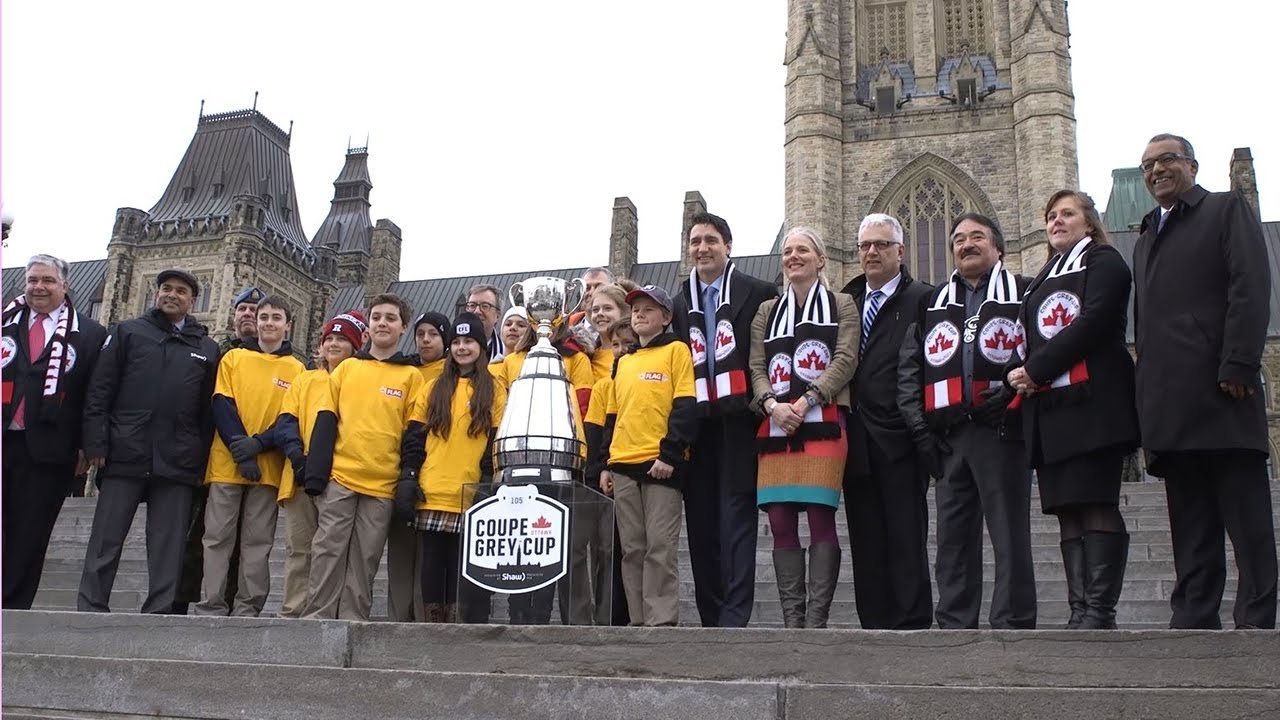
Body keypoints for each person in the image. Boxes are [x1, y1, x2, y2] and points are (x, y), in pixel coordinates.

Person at [1132, 133, 1277, 629]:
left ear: (1191, 165)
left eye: (1167, 159)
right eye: (1148, 164)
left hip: (1222, 392)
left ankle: (1256, 619)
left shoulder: (1224, 209)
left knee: (1247, 521)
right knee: (1190, 524)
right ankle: (1193, 617)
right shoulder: (1148, 232)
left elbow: (1250, 285)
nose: (1156, 170)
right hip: (1172, 405)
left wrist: (1239, 363)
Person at [1004, 191, 1139, 629]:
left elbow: (1094, 321)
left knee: (1096, 502)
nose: (1056, 222)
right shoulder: (1044, 277)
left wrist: (1036, 369)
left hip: (1094, 403)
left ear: (1089, 222)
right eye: (1051, 216)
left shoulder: (1104, 262)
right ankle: (1080, 608)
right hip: (1052, 410)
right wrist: (1018, 372)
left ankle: (1100, 610)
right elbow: (1026, 333)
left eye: (1067, 214)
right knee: (1067, 510)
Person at [898, 213, 1037, 630]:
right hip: (950, 437)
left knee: (1009, 535)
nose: (967, 244)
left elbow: (1041, 352)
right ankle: (955, 623)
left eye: (978, 237)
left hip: (1002, 432)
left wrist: (1012, 393)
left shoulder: (1026, 292)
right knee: (953, 543)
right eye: (958, 239)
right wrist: (922, 433)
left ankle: (1012, 623)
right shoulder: (930, 303)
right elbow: (910, 371)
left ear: (998, 248)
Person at [78, 269, 220, 613]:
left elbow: (207, 412)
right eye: (166, 288)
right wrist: (96, 442)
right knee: (106, 539)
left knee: (167, 543)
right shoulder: (128, 332)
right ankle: (92, 605)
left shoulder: (207, 347)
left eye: (181, 291)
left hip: (177, 458)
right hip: (126, 450)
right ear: (156, 294)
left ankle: (159, 609)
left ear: (193, 300)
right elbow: (100, 390)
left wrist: (199, 458)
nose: (172, 295)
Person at [748, 228, 858, 628]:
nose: (793, 256)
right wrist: (773, 405)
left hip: (824, 421)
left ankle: (817, 619)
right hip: (776, 426)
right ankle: (793, 619)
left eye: (803, 250)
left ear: (821, 259)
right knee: (779, 520)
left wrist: (807, 399)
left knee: (819, 516)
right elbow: (757, 367)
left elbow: (845, 358)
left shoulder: (842, 304)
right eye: (788, 251)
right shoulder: (766, 311)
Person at [672, 211, 778, 627]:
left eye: (710, 240)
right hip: (698, 425)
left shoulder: (758, 292)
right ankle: (710, 613)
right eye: (695, 242)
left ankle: (735, 615)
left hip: (741, 420)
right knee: (700, 524)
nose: (702, 248)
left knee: (737, 520)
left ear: (728, 246)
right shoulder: (679, 303)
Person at [301, 293, 427, 620]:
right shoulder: (346, 370)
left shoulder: (411, 377)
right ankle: (316, 621)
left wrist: (406, 479)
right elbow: (325, 422)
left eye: (390, 318)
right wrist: (316, 475)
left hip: (382, 487)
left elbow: (413, 436)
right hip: (340, 479)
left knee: (365, 559)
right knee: (327, 552)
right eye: (376, 317)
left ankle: (354, 623)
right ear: (368, 327)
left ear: (403, 327)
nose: (382, 322)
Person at [839, 214, 935, 630]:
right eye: (864, 246)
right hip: (854, 441)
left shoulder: (924, 299)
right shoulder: (847, 301)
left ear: (900, 251)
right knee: (865, 540)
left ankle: (912, 624)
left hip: (900, 439)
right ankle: (873, 626)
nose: (871, 252)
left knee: (906, 535)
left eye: (880, 245)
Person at [2, 254, 107, 609]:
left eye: (47, 281)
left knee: (29, 534)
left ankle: (12, 606)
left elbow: (94, 394)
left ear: (65, 285)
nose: (38, 287)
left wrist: (86, 446)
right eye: (32, 280)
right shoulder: (4, 321)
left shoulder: (90, 334)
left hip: (48, 450)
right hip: (4, 437)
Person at [194, 296, 305, 617]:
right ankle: (211, 604)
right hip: (227, 463)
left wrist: (258, 446)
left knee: (258, 541)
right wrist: (240, 450)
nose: (269, 323)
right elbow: (221, 403)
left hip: (268, 466)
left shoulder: (297, 369)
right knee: (216, 537)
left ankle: (248, 606)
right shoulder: (234, 358)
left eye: (276, 318)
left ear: (288, 325)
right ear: (255, 323)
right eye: (264, 317)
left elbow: (290, 416)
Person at [599, 285, 698, 626]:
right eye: (636, 309)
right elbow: (613, 415)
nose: (639, 314)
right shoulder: (622, 362)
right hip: (623, 463)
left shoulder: (677, 351)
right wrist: (605, 464)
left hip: (660, 464)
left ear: (666, 317)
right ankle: (639, 620)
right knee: (633, 548)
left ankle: (662, 621)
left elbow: (684, 406)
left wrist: (670, 455)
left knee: (660, 545)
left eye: (649, 309)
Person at [489, 309, 594, 624]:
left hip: (559, 465)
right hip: (516, 465)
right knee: (519, 543)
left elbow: (583, 409)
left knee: (551, 543)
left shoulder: (576, 361)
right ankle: (518, 612)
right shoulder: (509, 362)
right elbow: (497, 409)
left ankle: (545, 613)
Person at [398, 313, 504, 623]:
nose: (461, 347)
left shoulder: (495, 390)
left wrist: (487, 480)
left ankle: (459, 618)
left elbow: (494, 441)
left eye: (468, 341)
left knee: (461, 561)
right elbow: (415, 438)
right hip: (433, 488)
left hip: (469, 489)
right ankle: (434, 619)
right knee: (432, 561)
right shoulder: (432, 388)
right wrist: (409, 476)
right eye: (456, 342)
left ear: (480, 347)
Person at [272, 310, 366, 618]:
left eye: (342, 339)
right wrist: (298, 458)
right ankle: (293, 610)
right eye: (330, 339)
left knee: (331, 551)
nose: (334, 344)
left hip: (340, 475)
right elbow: (287, 421)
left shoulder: (358, 378)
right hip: (301, 474)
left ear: (354, 346)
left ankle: (325, 610)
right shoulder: (305, 380)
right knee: (299, 548)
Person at [384, 310, 450, 623]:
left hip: (434, 473)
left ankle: (425, 620)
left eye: (433, 334)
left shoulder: (450, 373)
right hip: (398, 468)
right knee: (400, 553)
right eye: (421, 334)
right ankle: (398, 618)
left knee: (428, 556)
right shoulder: (402, 369)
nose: (425, 340)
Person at [584, 317, 637, 626]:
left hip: (635, 467)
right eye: (614, 345)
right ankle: (609, 614)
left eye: (626, 344)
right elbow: (595, 432)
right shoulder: (604, 386)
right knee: (609, 551)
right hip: (607, 475)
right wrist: (599, 470)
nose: (619, 350)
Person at [586, 282, 635, 381]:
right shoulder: (586, 355)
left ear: (625, 312)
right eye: (595, 310)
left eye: (607, 308)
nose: (600, 313)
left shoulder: (634, 352)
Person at [463, 284, 505, 361]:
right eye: (472, 305)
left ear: (497, 316)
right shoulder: (450, 354)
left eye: (485, 306)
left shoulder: (507, 355)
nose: (477, 311)